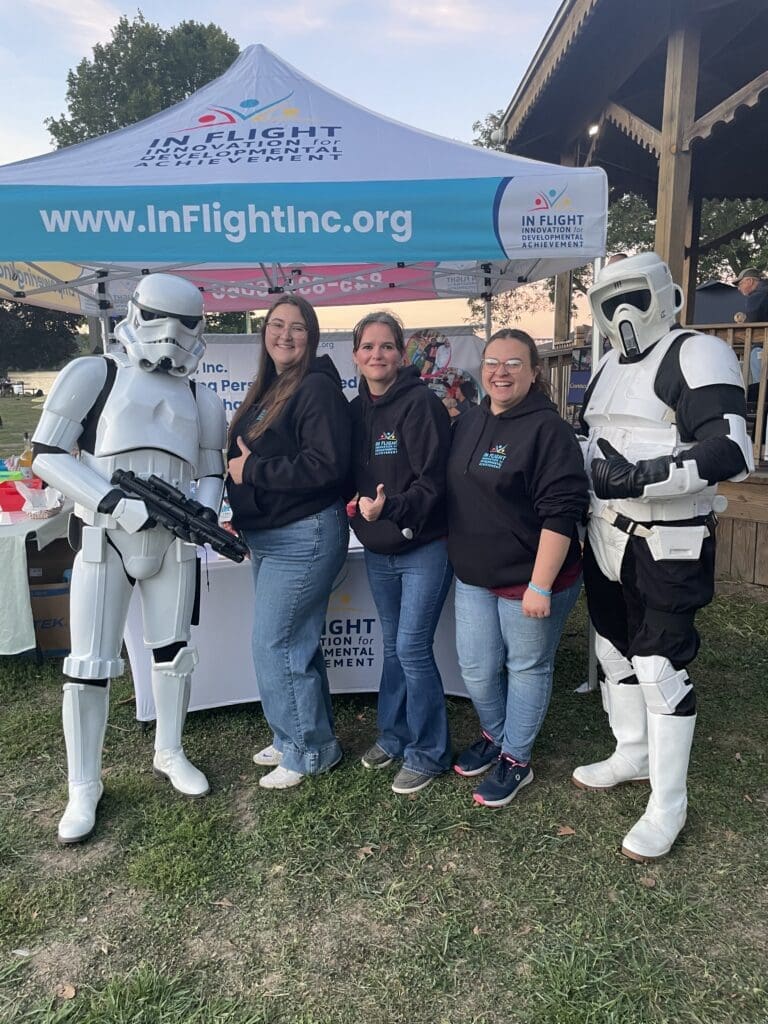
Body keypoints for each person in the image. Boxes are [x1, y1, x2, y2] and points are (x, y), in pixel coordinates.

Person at [32, 273, 227, 844]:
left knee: (174, 655)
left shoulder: (202, 397)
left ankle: (169, 750)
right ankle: (83, 784)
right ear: (135, 313)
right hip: (102, 535)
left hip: (171, 540)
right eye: (161, 317)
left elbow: (211, 470)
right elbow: (45, 455)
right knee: (89, 666)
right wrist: (111, 502)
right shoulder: (94, 374)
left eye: (186, 323)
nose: (171, 335)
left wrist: (202, 516)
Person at [573, 252, 753, 861]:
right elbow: (589, 441)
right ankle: (632, 751)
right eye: (610, 300)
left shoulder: (695, 353)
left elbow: (732, 449)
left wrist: (647, 474)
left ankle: (668, 802)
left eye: (635, 297)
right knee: (612, 647)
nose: (623, 312)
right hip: (602, 531)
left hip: (667, 538)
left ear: (665, 296)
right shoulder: (602, 368)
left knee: (658, 666)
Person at [447, 329, 588, 807]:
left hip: (531, 579)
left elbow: (562, 511)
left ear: (533, 372)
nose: (500, 372)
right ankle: (496, 733)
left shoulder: (549, 430)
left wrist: (541, 586)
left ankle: (516, 760)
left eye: (513, 363)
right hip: (475, 577)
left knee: (526, 666)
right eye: (492, 362)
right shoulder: (470, 421)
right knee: (477, 668)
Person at [226, 294, 351, 790]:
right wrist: (243, 507)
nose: (284, 334)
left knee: (275, 644)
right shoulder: (273, 387)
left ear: (312, 336)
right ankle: (294, 735)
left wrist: (251, 471)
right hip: (272, 535)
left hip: (305, 536)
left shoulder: (316, 389)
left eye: (296, 327)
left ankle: (310, 751)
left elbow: (326, 466)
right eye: (276, 325)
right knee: (294, 643)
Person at [348, 311, 453, 795]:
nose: (377, 355)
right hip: (377, 550)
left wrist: (394, 507)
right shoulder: (354, 410)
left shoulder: (421, 405)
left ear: (401, 351)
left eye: (386, 346)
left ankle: (429, 752)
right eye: (368, 347)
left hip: (424, 546)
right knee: (392, 646)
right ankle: (394, 734)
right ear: (356, 356)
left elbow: (435, 481)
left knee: (411, 647)